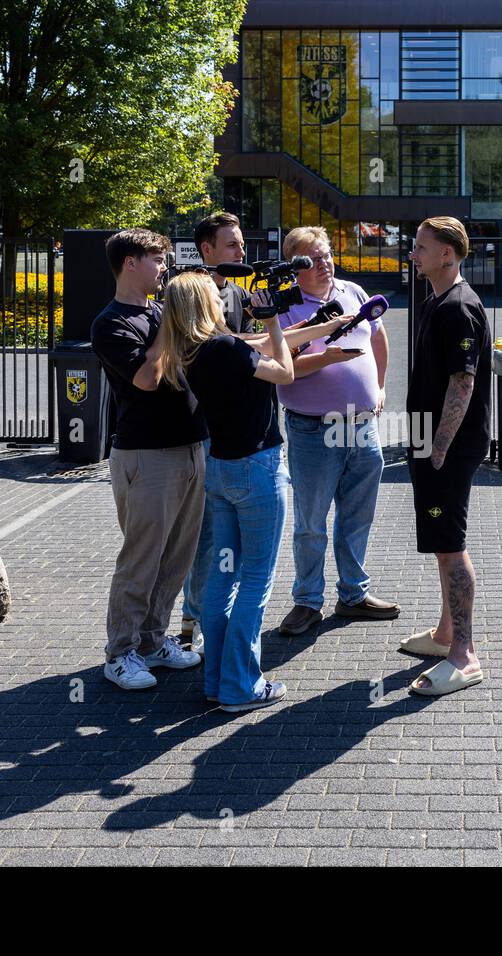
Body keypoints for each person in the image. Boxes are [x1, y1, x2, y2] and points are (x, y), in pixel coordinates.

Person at [164, 271, 352, 712]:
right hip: (256, 472)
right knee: (256, 582)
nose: (221, 299)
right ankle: (241, 687)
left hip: (222, 472)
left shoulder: (194, 350)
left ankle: (217, 680)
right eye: (214, 295)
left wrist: (321, 327)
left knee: (223, 578)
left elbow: (264, 347)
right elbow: (284, 369)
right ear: (202, 305)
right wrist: (270, 321)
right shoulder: (225, 347)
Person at [90, 228, 204, 691]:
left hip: (191, 448)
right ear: (130, 262)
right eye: (158, 259)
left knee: (177, 557)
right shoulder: (111, 323)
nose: (165, 269)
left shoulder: (159, 312)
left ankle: (153, 643)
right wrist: (168, 324)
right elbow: (146, 379)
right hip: (146, 455)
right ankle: (119, 653)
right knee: (141, 558)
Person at [275, 225, 400, 636]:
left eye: (327, 254)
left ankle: (353, 595)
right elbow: (282, 369)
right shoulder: (285, 307)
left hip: (362, 426)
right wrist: (327, 356)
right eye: (314, 258)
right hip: (314, 429)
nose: (326, 263)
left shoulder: (354, 292)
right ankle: (307, 601)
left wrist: (379, 386)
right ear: (296, 266)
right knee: (311, 522)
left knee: (357, 516)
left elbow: (378, 339)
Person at [400, 217, 491, 696]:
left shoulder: (458, 306)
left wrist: (437, 448)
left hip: (445, 445)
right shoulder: (435, 298)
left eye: (421, 246)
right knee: (441, 539)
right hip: (427, 438)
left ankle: (464, 655)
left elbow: (463, 382)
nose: (412, 252)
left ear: (447, 255)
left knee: (451, 543)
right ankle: (445, 635)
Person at [179, 212, 257, 653]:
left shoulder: (245, 294)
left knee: (234, 535)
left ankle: (209, 618)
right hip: (203, 434)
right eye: (232, 245)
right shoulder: (189, 295)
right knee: (207, 535)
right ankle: (194, 619)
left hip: (240, 432)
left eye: (242, 244)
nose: (241, 252)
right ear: (207, 250)